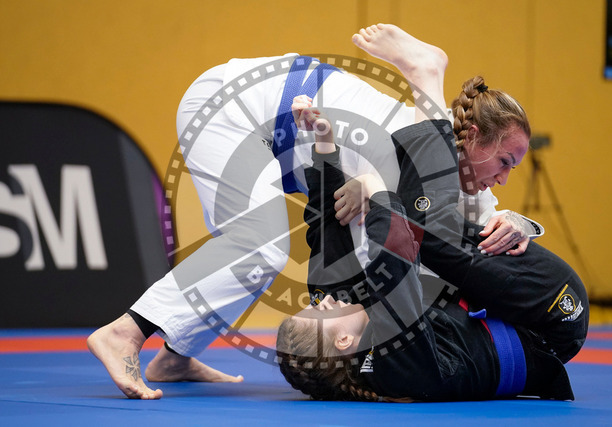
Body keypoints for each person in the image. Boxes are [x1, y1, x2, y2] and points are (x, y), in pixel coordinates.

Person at [87, 24, 544, 400]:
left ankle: (175, 356)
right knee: (261, 247)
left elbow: (480, 220)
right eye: (505, 162)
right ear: (473, 139)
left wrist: (520, 223)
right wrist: (373, 182)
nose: (504, 177)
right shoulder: (424, 148)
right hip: (231, 109)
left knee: (249, 253)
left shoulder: (447, 167)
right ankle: (126, 331)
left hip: (282, 129)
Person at [276, 36, 588, 400]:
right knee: (421, 226)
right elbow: (397, 255)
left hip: (505, 309)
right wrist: (374, 188)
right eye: (319, 312)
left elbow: (326, 230)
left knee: (415, 225)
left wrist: (324, 144)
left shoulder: (351, 332)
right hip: (552, 317)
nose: (322, 302)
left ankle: (425, 79)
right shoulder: (396, 364)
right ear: (344, 340)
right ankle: (426, 76)